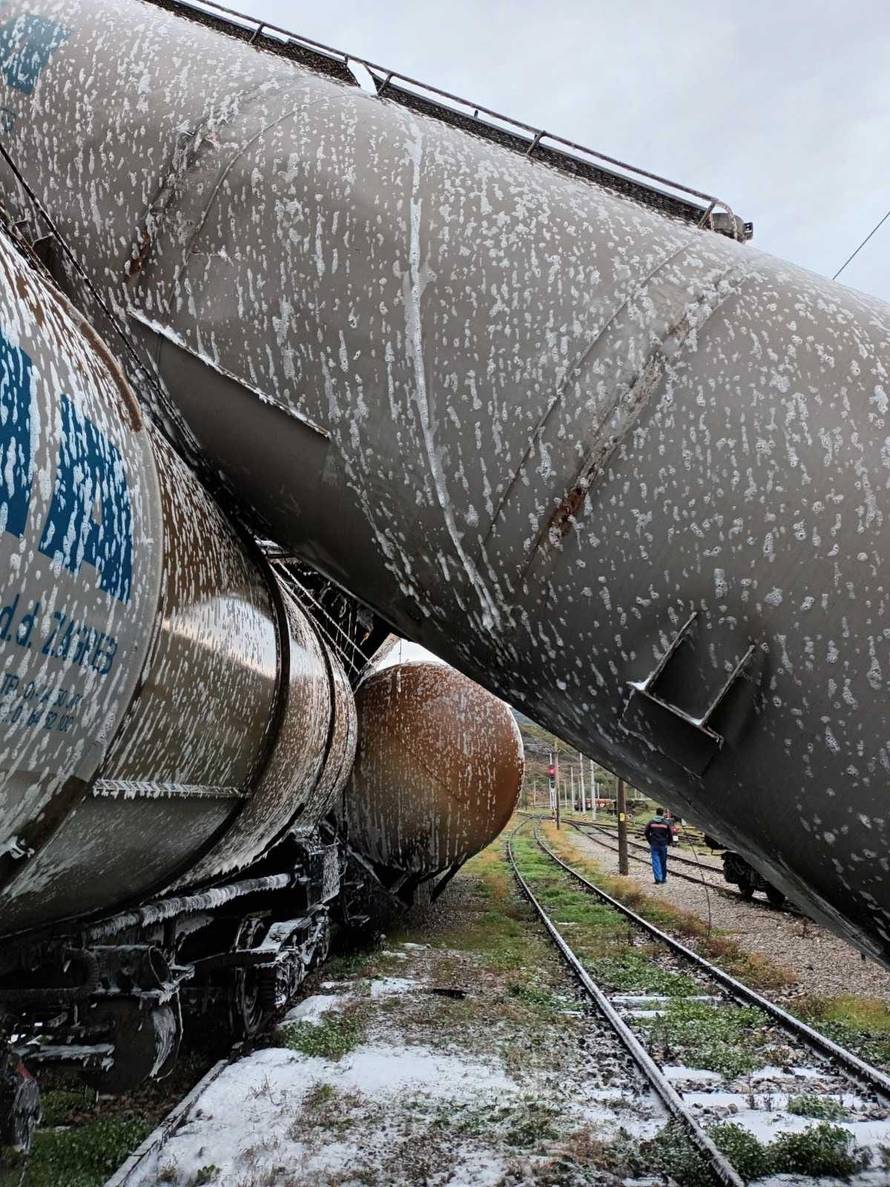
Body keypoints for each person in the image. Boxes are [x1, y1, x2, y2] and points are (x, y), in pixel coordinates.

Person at [644, 808, 674, 884]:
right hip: (663, 845)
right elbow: (670, 834)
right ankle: (663, 878)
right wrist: (668, 842)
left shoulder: (651, 822)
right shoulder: (666, 823)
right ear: (663, 813)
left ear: (656, 813)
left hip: (654, 844)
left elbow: (646, 832)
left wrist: (650, 841)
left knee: (655, 861)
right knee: (663, 862)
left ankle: (658, 879)